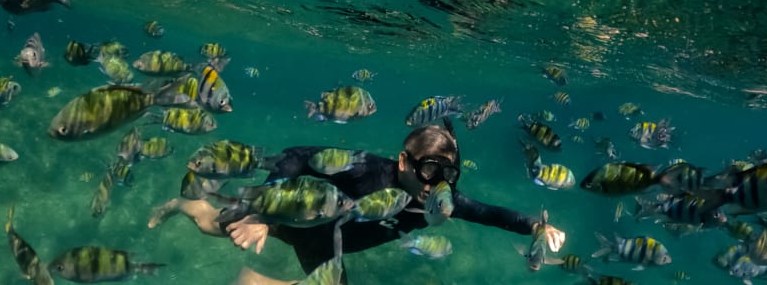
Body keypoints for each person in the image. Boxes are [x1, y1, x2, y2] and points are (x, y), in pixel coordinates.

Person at [148, 120, 566, 284]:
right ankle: (181, 205)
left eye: (448, 176)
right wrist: (261, 211)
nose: (435, 185)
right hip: (291, 217)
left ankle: (255, 282)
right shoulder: (366, 169)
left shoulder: (441, 200)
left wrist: (535, 226)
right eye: (428, 171)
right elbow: (295, 154)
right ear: (404, 160)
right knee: (210, 224)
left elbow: (491, 214)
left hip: (323, 246)